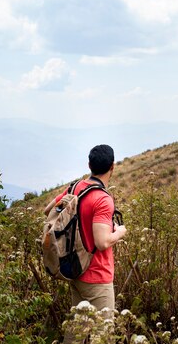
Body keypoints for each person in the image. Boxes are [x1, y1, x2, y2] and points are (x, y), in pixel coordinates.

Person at [45, 144, 127, 338]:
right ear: (112, 166)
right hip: (97, 276)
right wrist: (120, 232)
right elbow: (102, 242)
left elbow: (48, 210)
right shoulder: (102, 199)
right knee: (104, 336)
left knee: (76, 334)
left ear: (89, 164)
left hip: (75, 270)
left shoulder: (76, 187)